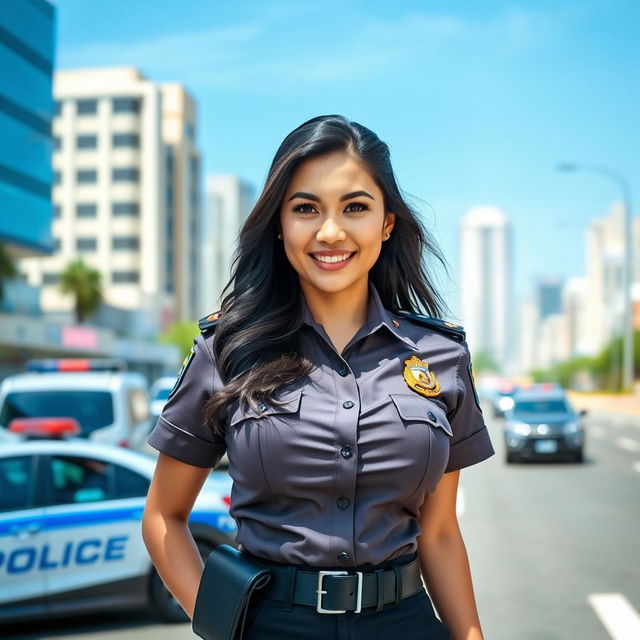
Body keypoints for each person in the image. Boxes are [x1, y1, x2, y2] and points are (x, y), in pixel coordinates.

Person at [142, 114, 495, 640]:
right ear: (280, 223)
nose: (331, 232)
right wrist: (223, 629)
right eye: (306, 208)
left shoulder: (440, 355)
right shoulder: (227, 351)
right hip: (270, 625)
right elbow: (164, 517)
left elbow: (440, 531)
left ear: (387, 223)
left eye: (355, 207)